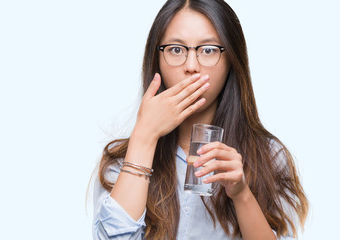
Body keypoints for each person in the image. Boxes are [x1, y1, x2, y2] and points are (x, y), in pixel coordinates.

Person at [92, 0, 308, 239]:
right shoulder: (121, 161)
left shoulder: (269, 157)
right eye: (176, 49)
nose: (191, 66)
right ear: (157, 59)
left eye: (208, 50)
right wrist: (144, 137)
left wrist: (241, 193)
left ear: (231, 61)